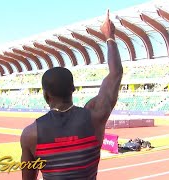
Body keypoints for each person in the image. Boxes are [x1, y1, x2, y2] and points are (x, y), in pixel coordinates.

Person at [20, 9, 123, 180]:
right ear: (73, 88)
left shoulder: (30, 135)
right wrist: (109, 36)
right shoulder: (95, 116)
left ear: (46, 95)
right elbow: (115, 73)